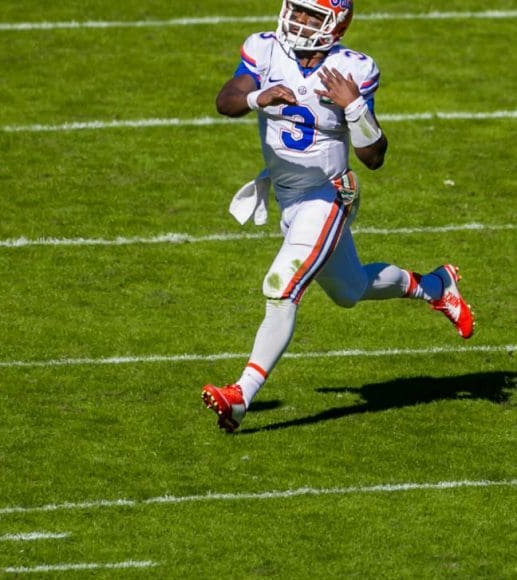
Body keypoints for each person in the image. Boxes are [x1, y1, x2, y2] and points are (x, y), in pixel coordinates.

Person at [201, 0, 475, 433]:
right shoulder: (266, 49)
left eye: (312, 14)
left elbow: (375, 157)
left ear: (335, 23)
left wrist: (354, 108)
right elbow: (225, 100)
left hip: (329, 194)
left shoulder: (354, 70)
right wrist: (258, 96)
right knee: (350, 289)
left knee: (281, 285)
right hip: (289, 197)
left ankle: (240, 395)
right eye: (297, 9)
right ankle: (435, 285)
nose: (299, 20)